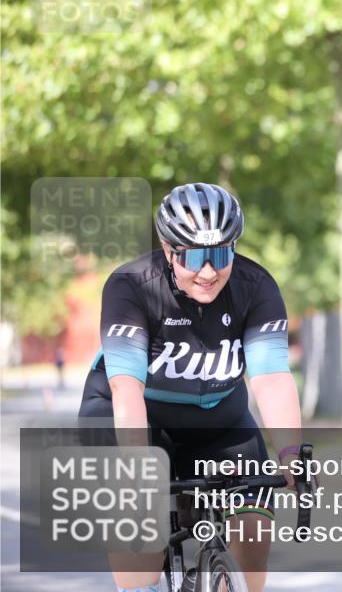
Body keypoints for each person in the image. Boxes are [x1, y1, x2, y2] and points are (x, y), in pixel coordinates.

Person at [78, 183, 303, 592]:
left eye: (219, 254)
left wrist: (290, 453)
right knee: (141, 560)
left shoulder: (256, 286)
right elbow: (127, 389)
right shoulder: (132, 286)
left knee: (254, 531)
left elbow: (270, 377)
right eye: (194, 256)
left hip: (219, 421)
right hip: (132, 416)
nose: (207, 271)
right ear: (168, 249)